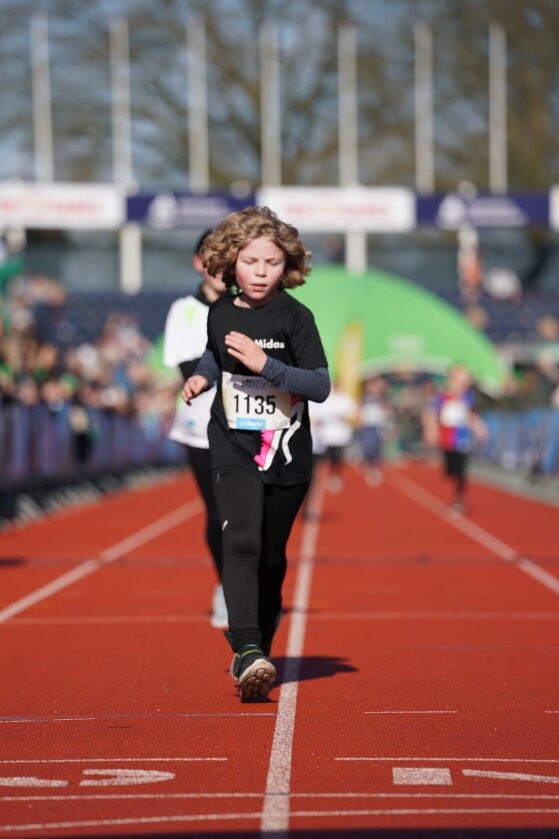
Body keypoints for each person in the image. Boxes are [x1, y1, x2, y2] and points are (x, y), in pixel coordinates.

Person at [182, 206, 330, 702]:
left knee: (271, 560)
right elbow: (215, 353)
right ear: (231, 263)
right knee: (240, 540)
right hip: (233, 445)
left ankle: (258, 651)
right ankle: (246, 648)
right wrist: (203, 376)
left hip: (286, 453)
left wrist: (267, 365)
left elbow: (320, 385)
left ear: (286, 266)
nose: (261, 272)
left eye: (271, 262)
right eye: (250, 262)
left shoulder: (296, 317)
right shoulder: (221, 311)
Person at [163, 230, 228, 629]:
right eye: (211, 257)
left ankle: (251, 584)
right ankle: (226, 588)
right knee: (217, 511)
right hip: (199, 427)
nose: (220, 266)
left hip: (248, 425)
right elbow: (190, 369)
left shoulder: (250, 306)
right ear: (198, 263)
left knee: (249, 513)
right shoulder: (183, 311)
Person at [423, 364, 487, 513]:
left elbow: (471, 416)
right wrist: (431, 430)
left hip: (462, 439)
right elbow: (430, 413)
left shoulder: (468, 397)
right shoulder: (442, 397)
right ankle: (457, 492)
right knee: (449, 471)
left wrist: (480, 429)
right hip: (447, 439)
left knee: (461, 470)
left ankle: (459, 499)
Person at [311, 379, 357, 493]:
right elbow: (318, 415)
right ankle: (323, 478)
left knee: (337, 457)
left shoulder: (346, 399)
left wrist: (344, 417)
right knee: (324, 459)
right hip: (326, 435)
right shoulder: (327, 398)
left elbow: (353, 415)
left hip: (341, 435)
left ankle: (335, 475)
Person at [358, 376, 390, 487]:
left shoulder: (381, 399)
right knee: (367, 448)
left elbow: (386, 412)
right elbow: (360, 412)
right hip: (367, 427)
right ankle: (368, 467)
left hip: (377, 427)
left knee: (376, 449)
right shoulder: (364, 399)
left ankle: (376, 469)